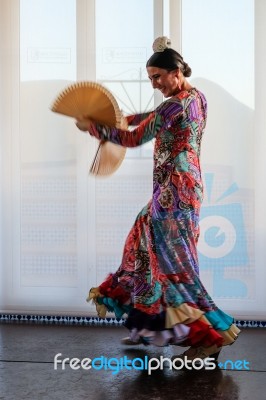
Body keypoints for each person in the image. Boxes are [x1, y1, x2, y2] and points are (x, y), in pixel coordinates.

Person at [76, 36, 240, 362]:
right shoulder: (196, 98)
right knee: (144, 236)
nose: (155, 84)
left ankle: (210, 336)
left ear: (176, 71)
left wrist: (97, 129)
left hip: (173, 195)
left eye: (158, 77)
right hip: (183, 190)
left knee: (177, 268)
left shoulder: (173, 105)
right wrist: (124, 118)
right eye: (151, 79)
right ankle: (160, 326)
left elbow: (136, 136)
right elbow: (150, 116)